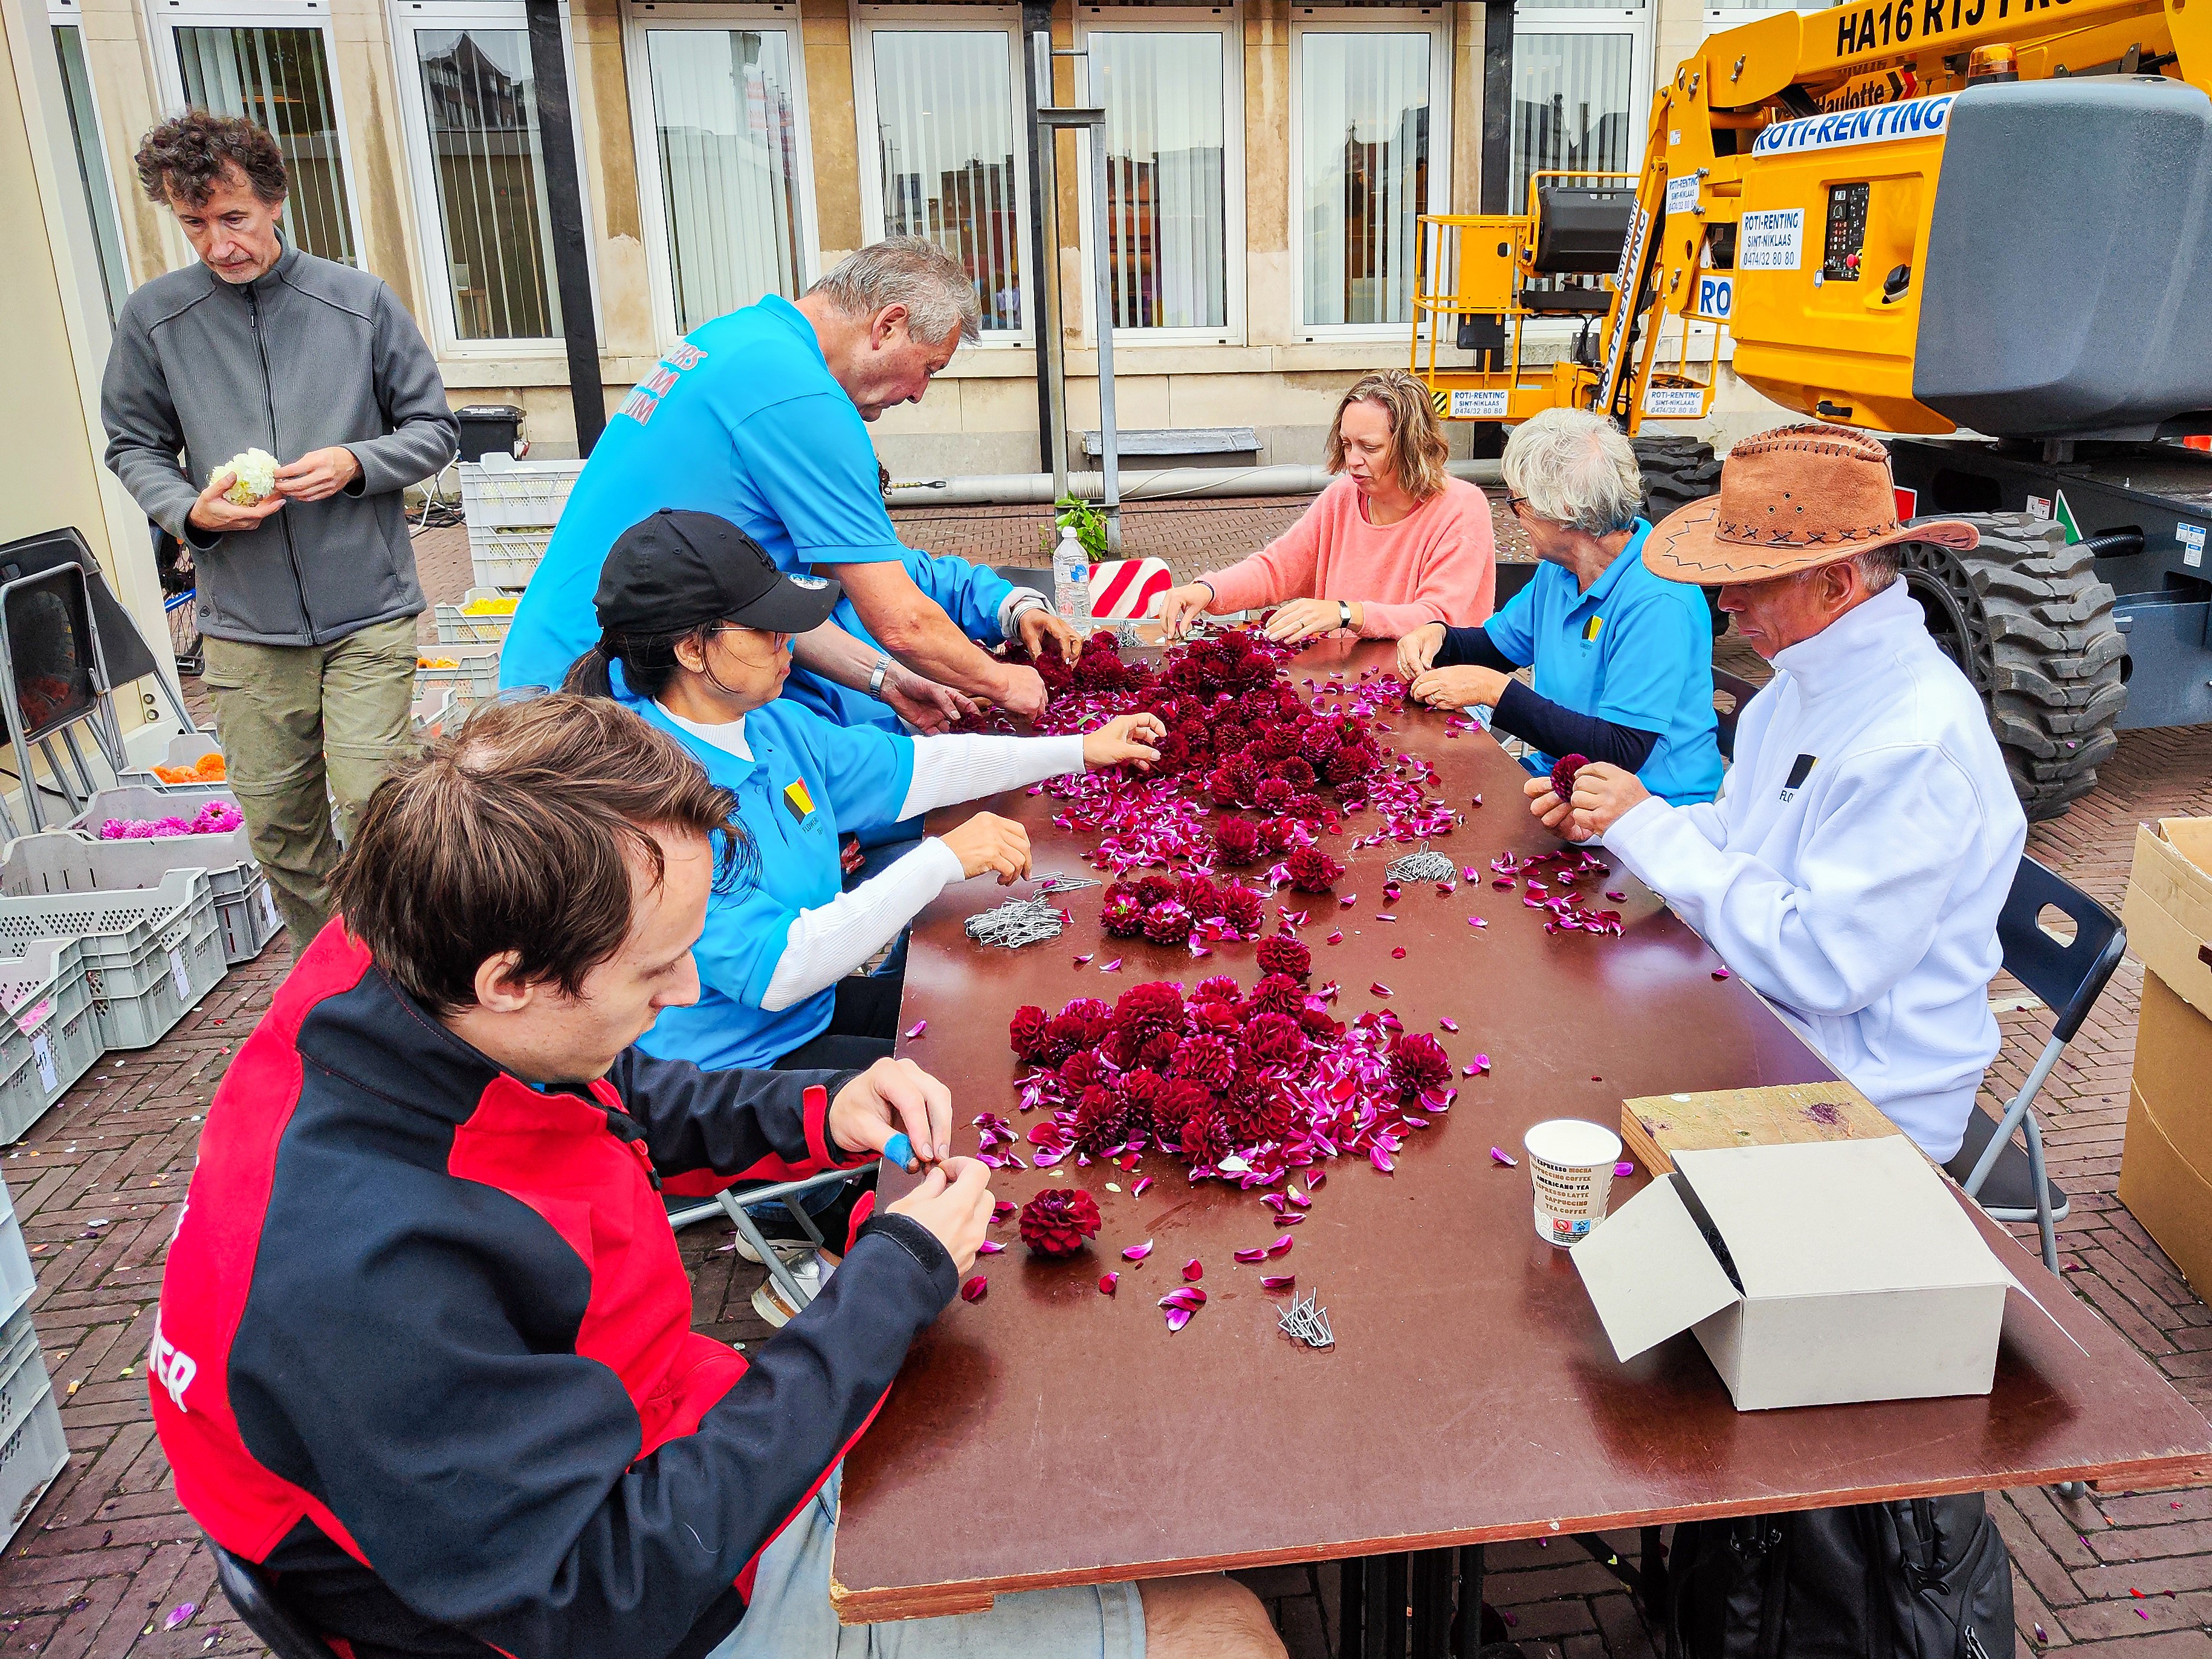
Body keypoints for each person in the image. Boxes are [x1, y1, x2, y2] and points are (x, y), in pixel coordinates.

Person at [149, 691, 1282, 1659]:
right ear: (510, 981)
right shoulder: (364, 1277)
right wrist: (881, 1289)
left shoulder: (407, 962)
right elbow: (607, 1595)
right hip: (642, 1596)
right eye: (655, 969)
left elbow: (607, 1087)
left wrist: (818, 1107)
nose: (691, 993)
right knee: (1217, 1627)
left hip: (643, 1432)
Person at [1529, 423, 2026, 1164]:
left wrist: (1649, 830)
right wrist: (1618, 820)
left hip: (1864, 1098)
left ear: (1836, 584)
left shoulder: (1913, 745)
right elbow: (1738, 835)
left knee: (1569, 1086)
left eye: (1751, 579)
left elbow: (1824, 966)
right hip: (1779, 1020)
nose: (1726, 601)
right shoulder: (1799, 684)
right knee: (1558, 1032)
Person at [101, 111, 458, 946]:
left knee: (378, 808)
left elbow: (433, 429)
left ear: (275, 201)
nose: (218, 244)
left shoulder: (360, 302)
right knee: (281, 835)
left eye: (233, 218)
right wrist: (189, 509)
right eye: (194, 224)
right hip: (246, 629)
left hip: (368, 610)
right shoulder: (154, 317)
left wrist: (356, 463)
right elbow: (133, 443)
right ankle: (343, 981)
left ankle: (404, 981)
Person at [500, 239, 1079, 734]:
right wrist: (1006, 682)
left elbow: (776, 605)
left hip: (553, 666)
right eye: (930, 367)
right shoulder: (803, 399)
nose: (920, 393)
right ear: (888, 325)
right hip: (601, 697)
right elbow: (899, 619)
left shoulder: (738, 339)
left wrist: (888, 683)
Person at [1397, 409, 1722, 807]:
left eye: (1518, 503)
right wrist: (1438, 637)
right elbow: (1496, 647)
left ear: (1565, 511)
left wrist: (1494, 691)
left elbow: (1620, 749)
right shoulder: (1561, 570)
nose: (1515, 518)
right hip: (1565, 779)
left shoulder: (1658, 598)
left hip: (1649, 806)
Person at [1151, 369, 1496, 643]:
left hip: (1442, 690)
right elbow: (1278, 570)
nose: (1353, 461)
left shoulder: (1462, 508)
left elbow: (1436, 618)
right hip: (1350, 679)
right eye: (1346, 444)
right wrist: (1207, 590)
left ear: (1413, 446)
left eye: (1369, 447)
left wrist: (1346, 614)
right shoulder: (1342, 497)